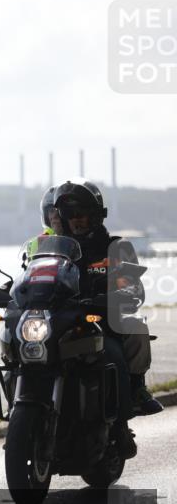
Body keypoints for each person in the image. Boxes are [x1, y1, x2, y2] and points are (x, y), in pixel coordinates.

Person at [53, 179, 163, 457]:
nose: (76, 220)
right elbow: (32, 277)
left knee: (126, 337)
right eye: (70, 215)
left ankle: (125, 414)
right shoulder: (54, 250)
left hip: (102, 318)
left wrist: (118, 294)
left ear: (95, 215)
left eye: (81, 214)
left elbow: (132, 287)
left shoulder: (116, 247)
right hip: (62, 320)